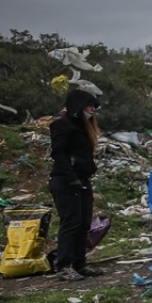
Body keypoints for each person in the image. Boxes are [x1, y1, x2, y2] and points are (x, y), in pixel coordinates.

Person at [48, 89, 103, 282]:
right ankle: (63, 266)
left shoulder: (83, 127)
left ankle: (80, 263)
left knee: (83, 224)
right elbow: (59, 152)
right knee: (70, 223)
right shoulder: (62, 125)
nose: (92, 109)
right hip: (65, 181)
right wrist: (71, 177)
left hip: (82, 180)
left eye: (94, 106)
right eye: (89, 105)